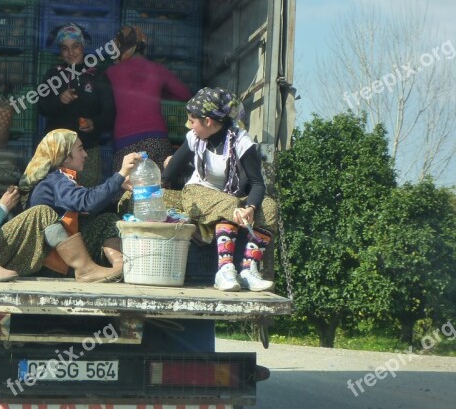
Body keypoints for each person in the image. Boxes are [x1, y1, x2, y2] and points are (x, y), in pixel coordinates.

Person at [0, 132, 119, 283]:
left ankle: (117, 266)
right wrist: (2, 208)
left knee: (106, 220)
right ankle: (85, 269)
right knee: (42, 212)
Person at [160, 87, 279, 293]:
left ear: (208, 121)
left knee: (269, 207)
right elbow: (169, 173)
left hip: (232, 195)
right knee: (231, 206)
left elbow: (257, 184)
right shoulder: (193, 138)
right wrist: (152, 187)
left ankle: (248, 270)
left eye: (192, 120)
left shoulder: (241, 142)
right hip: (198, 192)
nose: (189, 125)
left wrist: (250, 207)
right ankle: (224, 270)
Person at [19, 129, 140, 282]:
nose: (85, 155)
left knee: (105, 219)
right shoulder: (56, 180)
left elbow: (87, 198)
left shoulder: (52, 179)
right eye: (80, 149)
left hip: (56, 258)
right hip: (55, 263)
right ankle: (117, 268)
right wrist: (120, 174)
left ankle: (120, 266)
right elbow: (87, 202)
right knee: (108, 222)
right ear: (64, 155)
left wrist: (119, 183)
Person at [38, 23, 115, 188]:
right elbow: (41, 108)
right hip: (58, 153)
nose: (71, 52)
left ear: (83, 46)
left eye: (75, 46)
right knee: (57, 198)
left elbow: (110, 113)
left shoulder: (97, 75)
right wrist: (59, 100)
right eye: (65, 48)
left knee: (87, 200)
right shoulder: (53, 75)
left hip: (87, 151)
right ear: (60, 50)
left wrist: (94, 123)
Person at [104, 25, 192, 171]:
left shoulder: (111, 72)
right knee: (156, 190)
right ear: (143, 47)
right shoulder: (157, 69)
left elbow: (105, 104)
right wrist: (158, 93)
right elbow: (184, 94)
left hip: (125, 142)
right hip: (156, 139)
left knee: (126, 189)